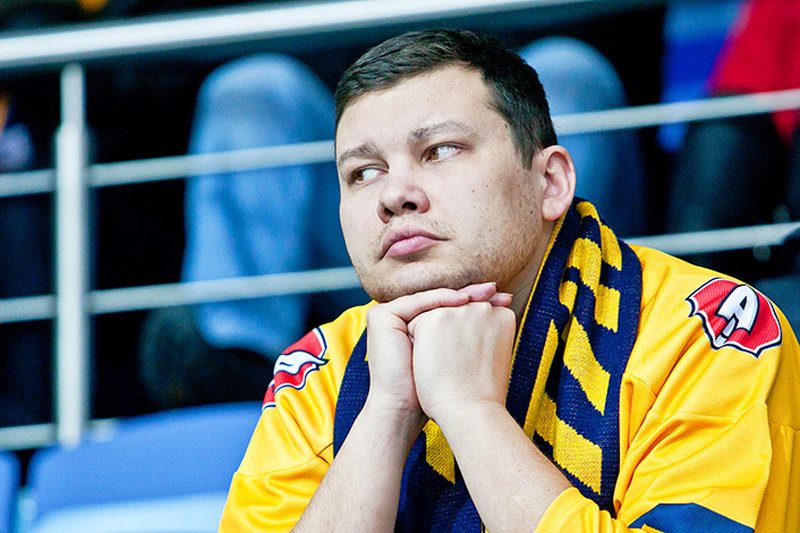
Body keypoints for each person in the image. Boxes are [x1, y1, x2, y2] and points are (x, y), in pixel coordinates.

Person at [218, 29, 800, 532]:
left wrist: (472, 412)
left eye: (440, 150)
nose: (394, 195)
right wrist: (387, 414)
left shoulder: (703, 337)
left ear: (550, 182)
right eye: (363, 172)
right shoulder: (322, 372)